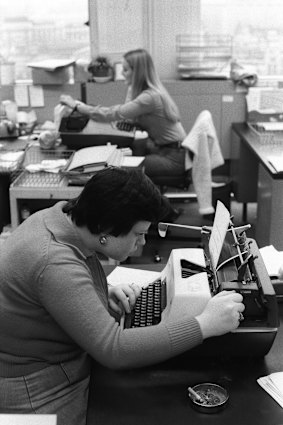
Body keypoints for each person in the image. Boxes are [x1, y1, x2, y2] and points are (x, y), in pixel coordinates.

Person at [0, 167, 245, 425]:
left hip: (54, 360)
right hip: (37, 388)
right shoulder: (53, 262)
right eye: (138, 235)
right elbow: (114, 350)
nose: (141, 244)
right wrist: (205, 324)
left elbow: (54, 288)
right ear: (105, 229)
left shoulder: (58, 218)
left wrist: (97, 293)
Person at [60, 48, 187, 185]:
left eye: (126, 70)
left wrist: (76, 106)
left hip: (173, 158)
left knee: (119, 169)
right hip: (166, 150)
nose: (121, 73)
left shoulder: (149, 97)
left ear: (137, 72)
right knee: (123, 158)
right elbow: (128, 115)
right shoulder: (149, 93)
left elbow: (114, 113)